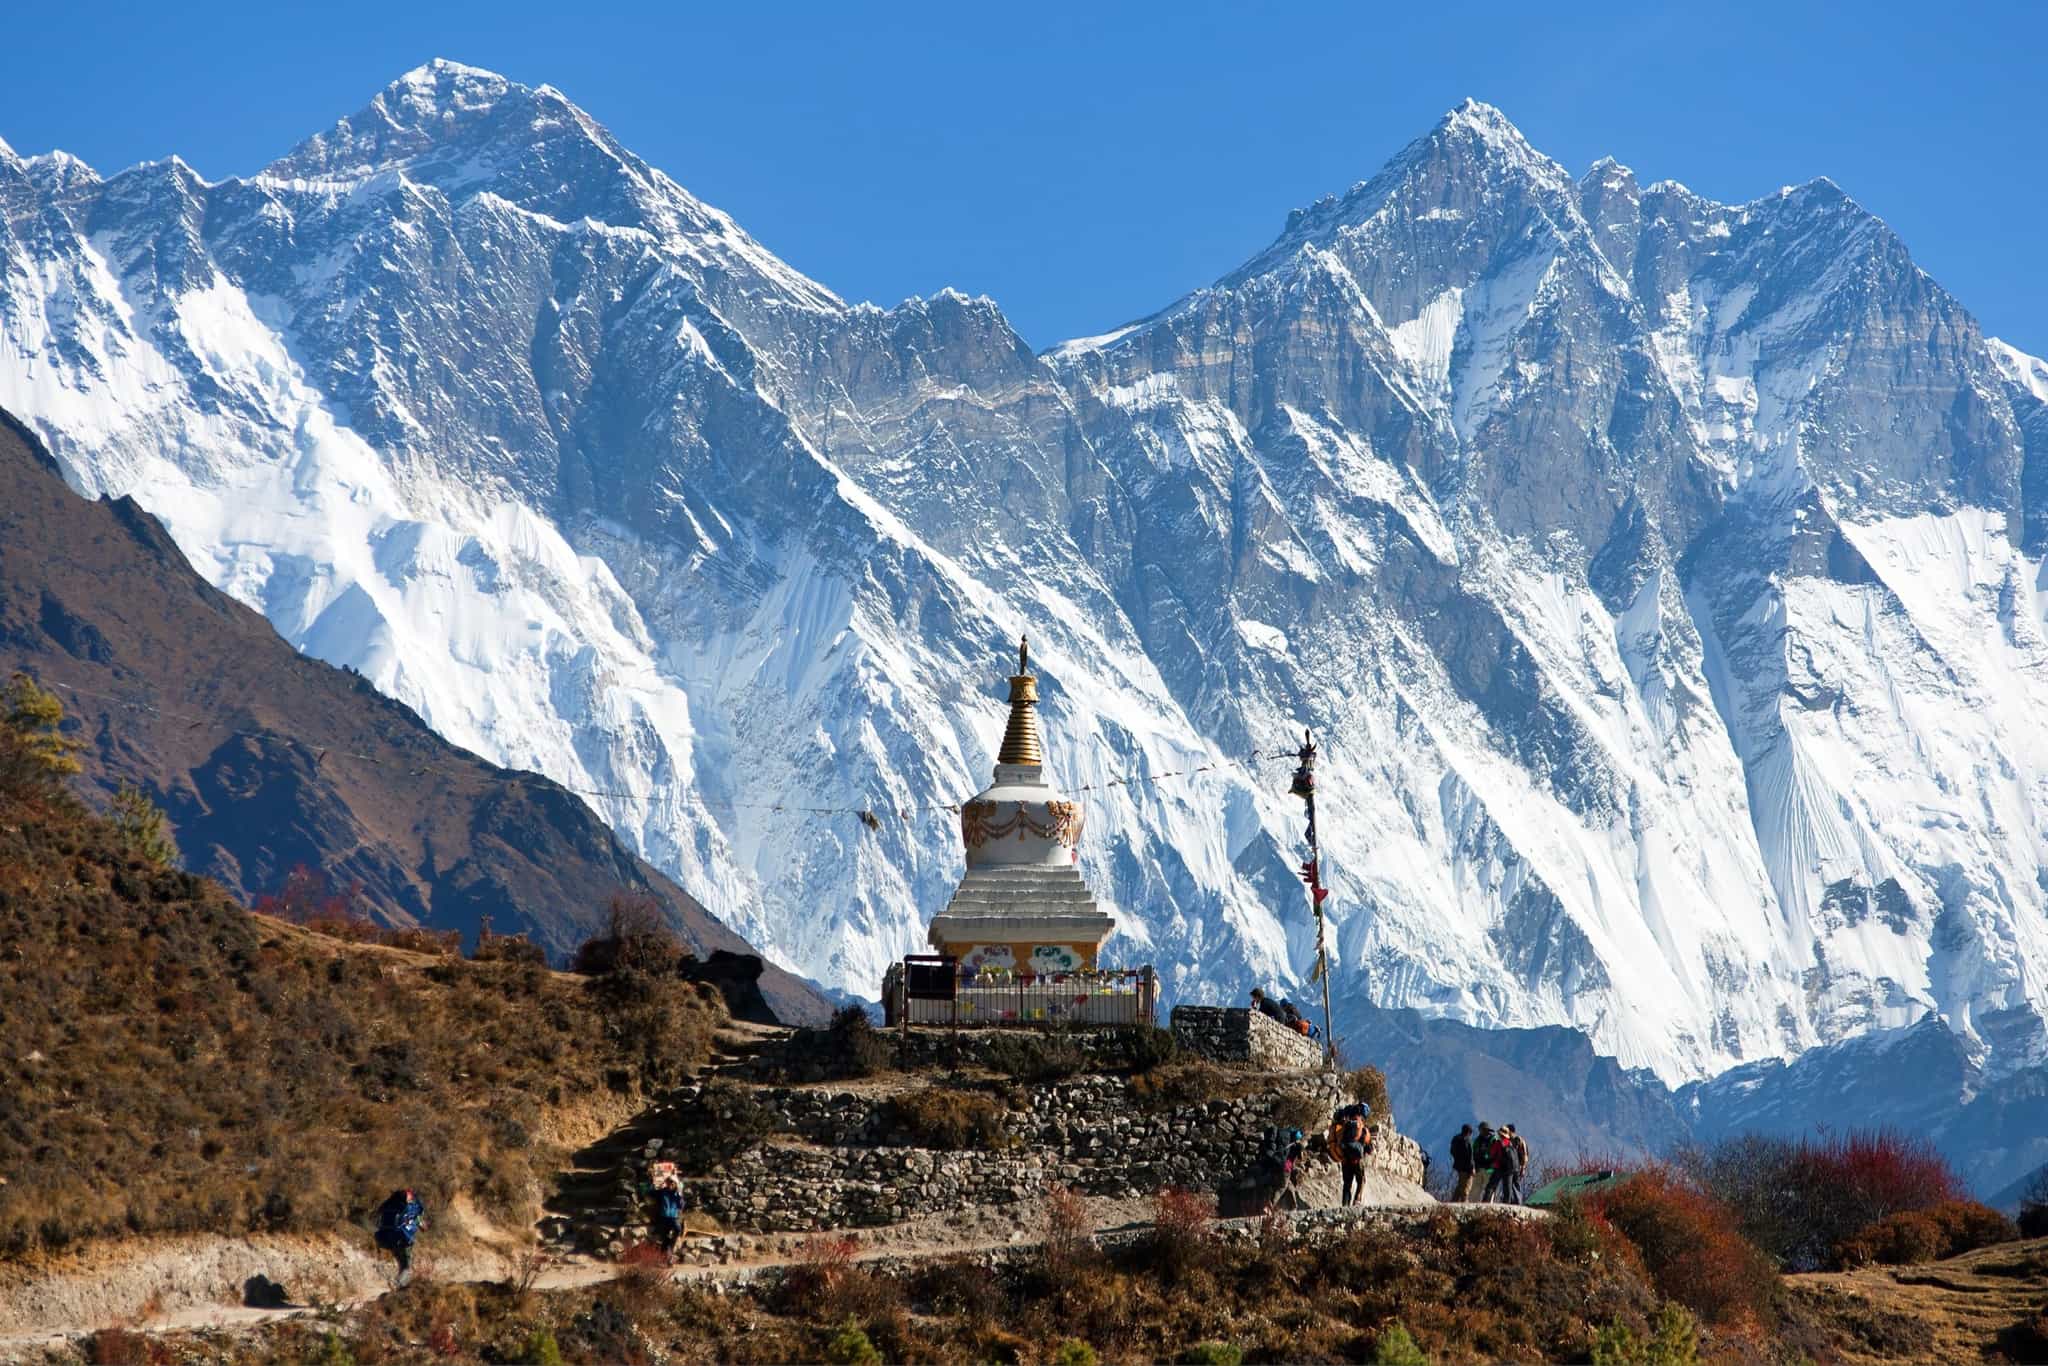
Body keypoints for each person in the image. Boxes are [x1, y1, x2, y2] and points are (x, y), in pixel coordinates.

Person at [374, 1188, 425, 1286]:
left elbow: (378, 1217)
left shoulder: (388, 1205)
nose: (411, 1199)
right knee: (406, 1265)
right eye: (410, 1197)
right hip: (402, 1239)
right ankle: (398, 1284)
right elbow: (422, 1226)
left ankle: (398, 1282)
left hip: (384, 1237)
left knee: (400, 1260)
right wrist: (419, 1222)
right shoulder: (410, 1208)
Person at [1330, 1107, 1369, 1206]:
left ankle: (1345, 1205)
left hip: (1344, 1159)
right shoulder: (1361, 1126)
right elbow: (1368, 1146)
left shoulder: (1344, 1126)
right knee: (1361, 1180)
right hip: (1356, 1159)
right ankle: (1357, 1201)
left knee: (1347, 1184)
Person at [650, 1174, 685, 1256]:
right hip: (664, 1217)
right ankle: (665, 1255)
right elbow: (651, 1193)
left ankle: (670, 1248)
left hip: (674, 1217)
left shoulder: (677, 1194)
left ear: (676, 1184)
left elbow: (681, 1206)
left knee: (678, 1229)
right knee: (665, 1237)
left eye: (672, 1183)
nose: (670, 1185)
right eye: (669, 1183)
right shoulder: (663, 1191)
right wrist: (654, 1184)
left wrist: (680, 1196)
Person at [1482, 1125, 1518, 1204]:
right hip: (1509, 1169)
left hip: (1499, 1167)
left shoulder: (1498, 1143)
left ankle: (1485, 1202)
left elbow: (1492, 1154)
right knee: (1507, 1189)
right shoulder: (1510, 1143)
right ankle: (1507, 1204)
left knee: (1491, 1186)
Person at [1449, 1123, 1476, 1202]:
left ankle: (1453, 1202)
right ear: (1469, 1132)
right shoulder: (1467, 1141)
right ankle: (1464, 1203)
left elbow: (1452, 1151)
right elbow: (1470, 1156)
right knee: (1466, 1187)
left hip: (1458, 1166)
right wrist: (1472, 1168)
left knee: (1460, 1184)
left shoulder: (1456, 1139)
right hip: (1467, 1168)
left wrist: (1457, 1159)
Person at [1472, 1123, 1497, 1202]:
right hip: (1478, 1168)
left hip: (1489, 1169)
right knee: (1475, 1188)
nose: (1479, 1131)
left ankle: (1489, 1204)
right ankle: (1473, 1204)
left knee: (1489, 1188)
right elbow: (1474, 1153)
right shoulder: (1477, 1140)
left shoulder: (1494, 1140)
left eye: (1481, 1129)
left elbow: (1496, 1154)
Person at [1506, 1125, 1530, 1204]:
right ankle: (1512, 1202)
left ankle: (1518, 1202)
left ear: (1510, 1131)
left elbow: (1525, 1155)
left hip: (1518, 1166)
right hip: (1511, 1166)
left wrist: (1523, 1168)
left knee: (1516, 1185)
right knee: (1510, 1185)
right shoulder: (1509, 1140)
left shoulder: (1519, 1140)